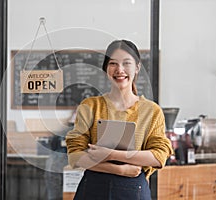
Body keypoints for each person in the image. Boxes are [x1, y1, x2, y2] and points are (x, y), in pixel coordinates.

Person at [65, 39, 174, 200]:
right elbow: (75, 156)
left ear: (137, 67)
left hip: (134, 190)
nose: (119, 70)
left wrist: (110, 154)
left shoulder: (151, 111)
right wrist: (120, 170)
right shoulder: (90, 106)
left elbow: (158, 157)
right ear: (106, 68)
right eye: (113, 64)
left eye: (126, 63)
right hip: (93, 190)